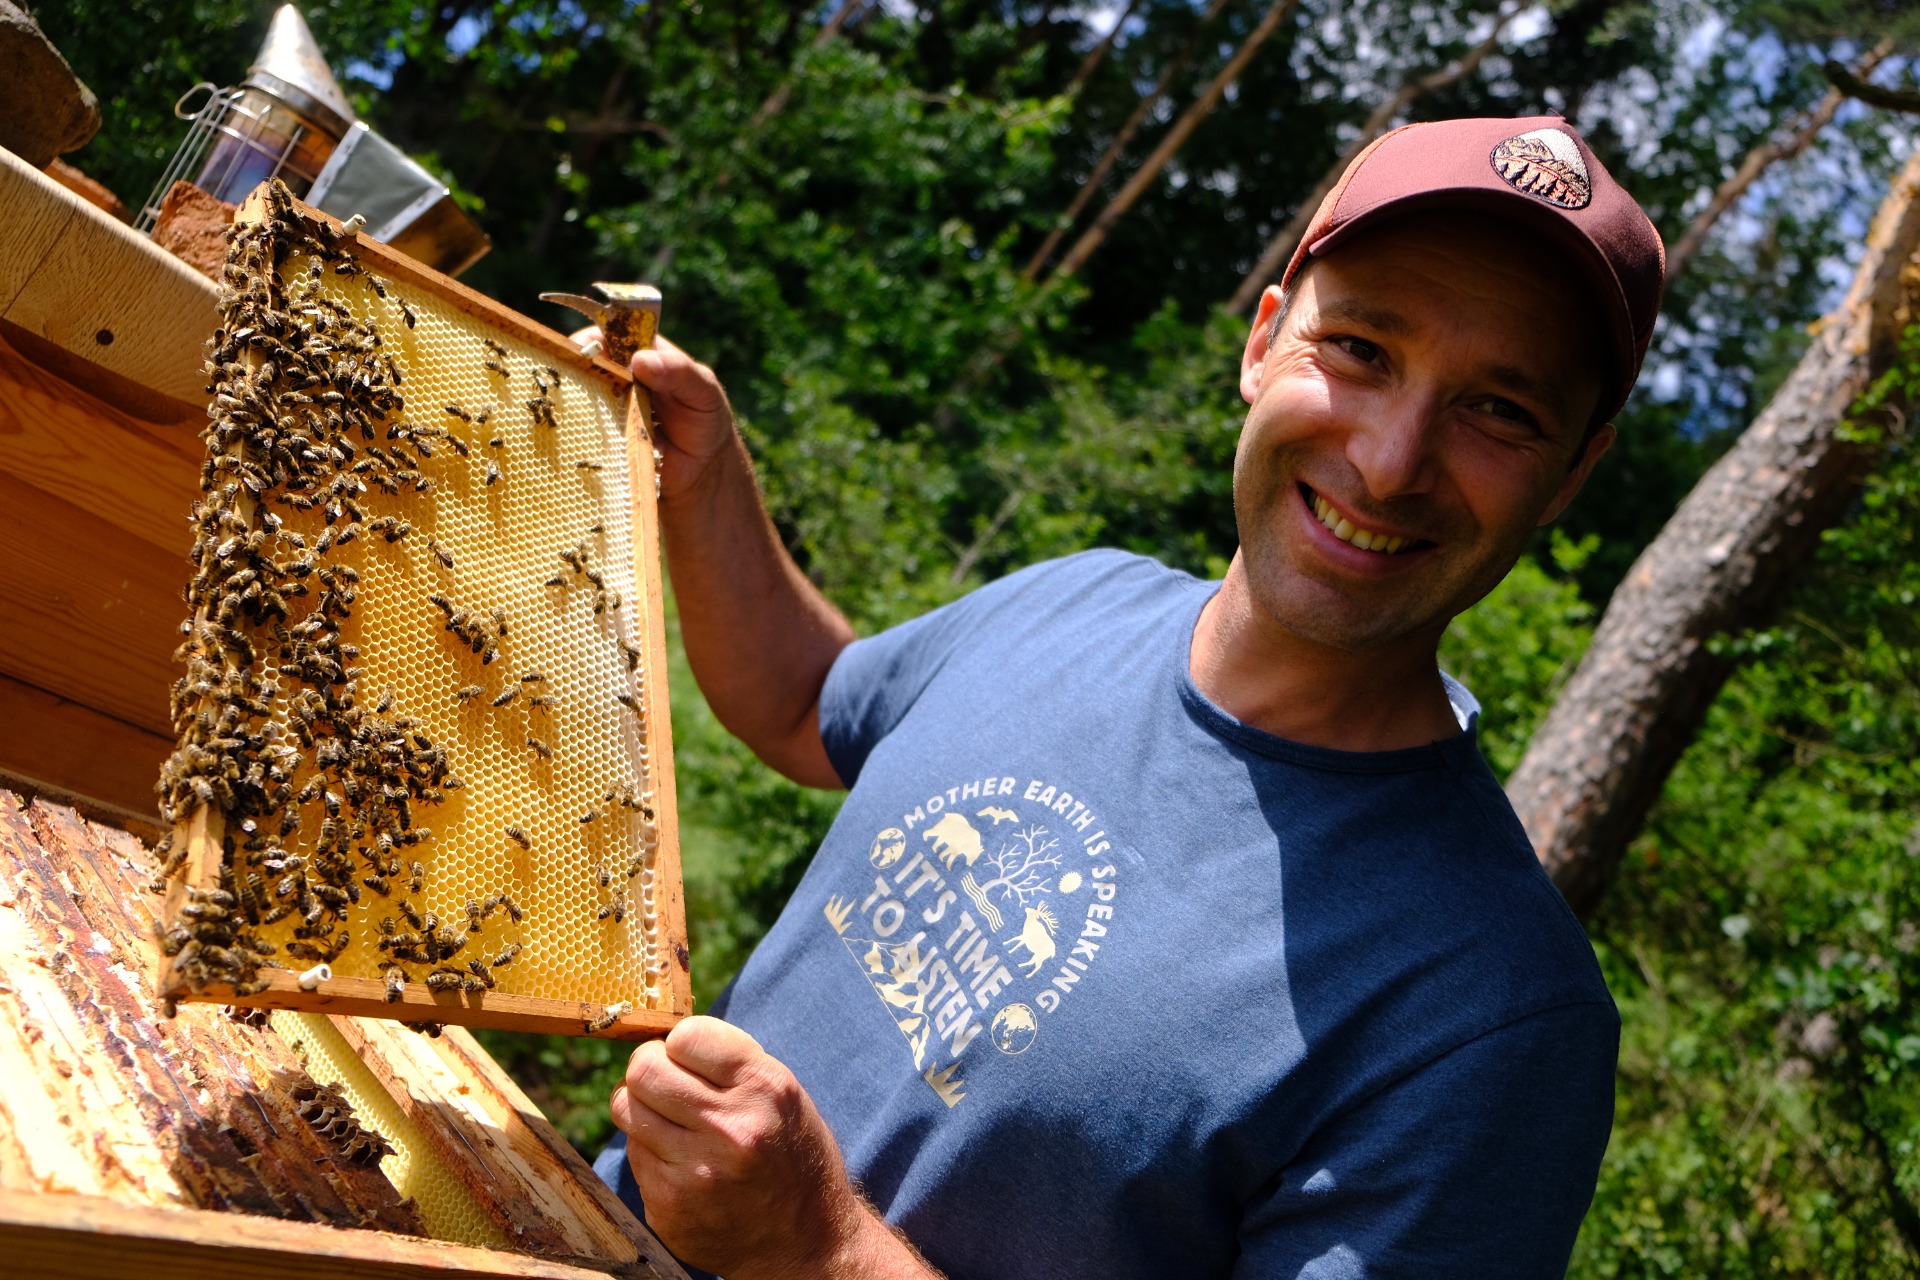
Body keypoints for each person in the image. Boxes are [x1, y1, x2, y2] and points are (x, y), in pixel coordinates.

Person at [591, 115, 1665, 1280]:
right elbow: (807, 704)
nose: (1390, 459)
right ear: (1263, 341)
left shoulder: (1495, 1018)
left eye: (1501, 410)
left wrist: (820, 1248)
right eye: (1361, 347)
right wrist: (706, 477)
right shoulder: (1080, 596)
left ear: (1573, 472)